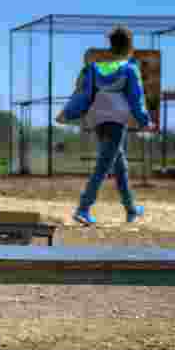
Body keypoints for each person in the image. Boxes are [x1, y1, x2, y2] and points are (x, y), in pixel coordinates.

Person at [56, 25, 156, 226]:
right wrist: (145, 121)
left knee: (119, 166)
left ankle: (131, 209)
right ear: (130, 47)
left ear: (110, 47)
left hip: (98, 120)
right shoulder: (129, 69)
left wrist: (67, 112)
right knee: (103, 166)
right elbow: (136, 100)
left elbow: (83, 95)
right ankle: (83, 208)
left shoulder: (95, 68)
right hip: (117, 122)